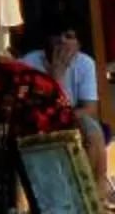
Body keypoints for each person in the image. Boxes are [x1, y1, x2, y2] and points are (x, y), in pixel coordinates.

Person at [21, 24, 109, 200]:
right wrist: (56, 78)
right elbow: (38, 109)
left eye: (69, 36)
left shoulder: (85, 63)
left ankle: (94, 194)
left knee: (93, 132)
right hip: (39, 118)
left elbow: (90, 109)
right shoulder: (29, 63)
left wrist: (67, 116)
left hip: (71, 115)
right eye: (57, 35)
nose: (62, 41)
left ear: (78, 44)